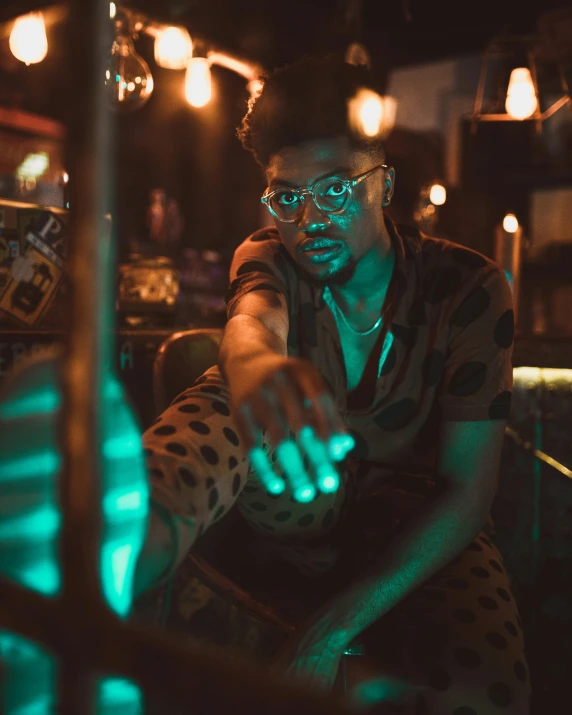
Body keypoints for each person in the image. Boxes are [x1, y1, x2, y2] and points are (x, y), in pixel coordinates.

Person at [134, 54, 530, 714]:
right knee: (230, 400)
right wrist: (256, 367)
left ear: (384, 184)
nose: (310, 219)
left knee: (487, 687)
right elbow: (251, 324)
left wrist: (328, 632)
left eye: (337, 189)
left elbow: (468, 489)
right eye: (287, 196)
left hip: (416, 525)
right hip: (297, 503)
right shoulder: (269, 257)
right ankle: (84, 565)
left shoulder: (467, 288)